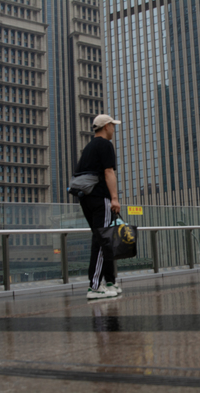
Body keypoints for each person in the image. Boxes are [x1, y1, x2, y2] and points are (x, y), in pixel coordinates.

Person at [76, 115, 122, 299]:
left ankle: (109, 281)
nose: (114, 129)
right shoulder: (105, 145)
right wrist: (114, 198)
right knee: (102, 241)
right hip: (100, 197)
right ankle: (94, 287)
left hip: (85, 197)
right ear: (107, 126)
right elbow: (109, 172)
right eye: (113, 126)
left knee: (104, 239)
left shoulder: (88, 147)